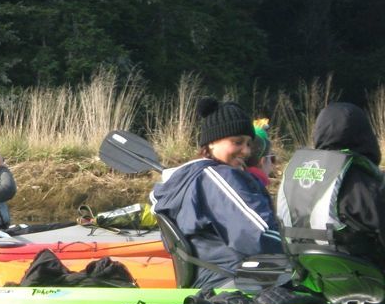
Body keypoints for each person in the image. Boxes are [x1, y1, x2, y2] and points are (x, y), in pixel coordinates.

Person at [150, 97, 283, 288]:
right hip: (237, 282)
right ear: (211, 143)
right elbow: (259, 236)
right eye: (237, 142)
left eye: (248, 144)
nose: (245, 151)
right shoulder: (220, 178)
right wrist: (297, 253)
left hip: (207, 281)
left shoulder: (187, 178)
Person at [276, 102, 385, 270]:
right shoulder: (359, 179)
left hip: (311, 274)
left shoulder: (293, 174)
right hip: (364, 278)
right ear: (365, 135)